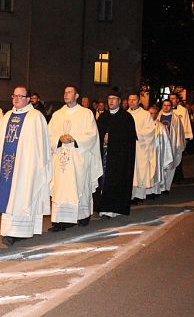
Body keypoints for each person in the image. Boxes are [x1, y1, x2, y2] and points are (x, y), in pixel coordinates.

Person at [0, 86, 52, 246]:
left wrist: (34, 165)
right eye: (14, 96)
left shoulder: (35, 117)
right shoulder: (7, 116)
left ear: (28, 99)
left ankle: (22, 231)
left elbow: (40, 146)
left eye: (21, 96)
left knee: (23, 193)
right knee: (9, 196)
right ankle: (9, 232)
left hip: (26, 166)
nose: (17, 99)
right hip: (8, 165)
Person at [47, 86, 102, 231]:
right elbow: (49, 134)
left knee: (79, 185)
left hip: (78, 158)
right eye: (64, 92)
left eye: (69, 92)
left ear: (77, 95)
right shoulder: (58, 114)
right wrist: (59, 138)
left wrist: (74, 138)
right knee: (60, 188)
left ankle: (82, 216)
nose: (66, 94)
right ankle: (59, 221)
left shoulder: (86, 113)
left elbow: (92, 135)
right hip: (61, 159)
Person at [93, 90, 136, 219]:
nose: (111, 101)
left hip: (118, 157)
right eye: (109, 98)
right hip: (104, 155)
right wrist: (103, 139)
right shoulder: (103, 117)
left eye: (114, 99)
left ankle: (112, 208)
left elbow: (128, 139)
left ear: (119, 101)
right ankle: (101, 207)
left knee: (114, 181)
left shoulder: (126, 118)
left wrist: (112, 138)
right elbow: (96, 135)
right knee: (102, 182)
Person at [127, 93, 156, 202]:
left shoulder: (145, 114)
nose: (131, 102)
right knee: (130, 171)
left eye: (134, 100)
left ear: (139, 101)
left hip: (140, 147)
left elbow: (150, 130)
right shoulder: (125, 114)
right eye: (130, 100)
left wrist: (136, 134)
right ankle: (129, 195)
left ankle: (139, 196)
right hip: (128, 148)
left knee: (139, 171)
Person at [158, 99, 186, 193]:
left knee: (170, 166)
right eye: (164, 105)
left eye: (168, 105)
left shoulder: (176, 118)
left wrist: (179, 145)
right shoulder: (158, 116)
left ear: (171, 106)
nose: (166, 107)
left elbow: (179, 133)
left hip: (171, 145)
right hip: (160, 145)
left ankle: (167, 188)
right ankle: (160, 186)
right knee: (160, 166)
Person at [146, 105, 173, 199]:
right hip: (146, 155)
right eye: (150, 113)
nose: (152, 115)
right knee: (147, 173)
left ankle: (156, 191)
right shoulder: (143, 126)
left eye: (154, 113)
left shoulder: (161, 127)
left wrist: (165, 155)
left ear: (157, 114)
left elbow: (166, 142)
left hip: (157, 155)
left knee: (157, 172)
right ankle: (147, 192)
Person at [168, 93, 193, 184]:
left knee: (178, 157)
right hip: (168, 139)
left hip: (179, 138)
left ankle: (178, 177)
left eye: (173, 98)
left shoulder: (183, 110)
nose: (172, 100)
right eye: (170, 98)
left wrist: (186, 138)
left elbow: (186, 123)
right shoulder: (165, 109)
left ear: (177, 100)